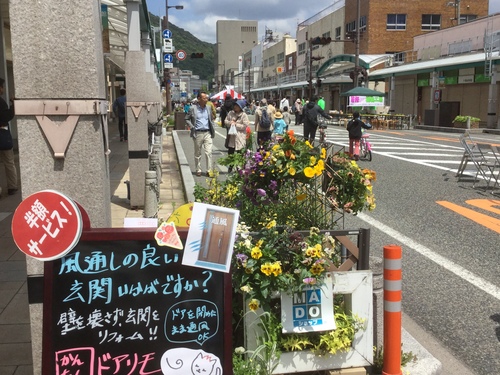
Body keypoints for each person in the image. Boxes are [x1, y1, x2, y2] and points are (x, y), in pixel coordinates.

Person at [185, 91, 216, 177]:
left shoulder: (209, 107)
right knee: (198, 153)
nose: (206, 99)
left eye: (207, 98)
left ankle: (209, 170)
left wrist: (212, 125)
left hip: (207, 132)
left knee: (208, 152)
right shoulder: (192, 108)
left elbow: (211, 118)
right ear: (199, 99)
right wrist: (191, 127)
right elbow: (187, 118)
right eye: (204, 98)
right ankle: (198, 169)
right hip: (197, 133)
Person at [0, 77, 17, 195]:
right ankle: (12, 186)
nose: (3, 89)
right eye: (2, 87)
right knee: (9, 162)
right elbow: (6, 117)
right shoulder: (1, 102)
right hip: (3, 136)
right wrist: (13, 105)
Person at [224, 99, 250, 172]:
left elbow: (245, 125)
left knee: (240, 152)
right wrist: (230, 123)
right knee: (230, 152)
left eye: (237, 106)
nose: (235, 107)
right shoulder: (230, 113)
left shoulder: (243, 115)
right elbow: (225, 121)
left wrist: (236, 125)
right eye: (235, 105)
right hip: (232, 136)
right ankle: (230, 166)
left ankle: (240, 167)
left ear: (240, 107)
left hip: (240, 136)